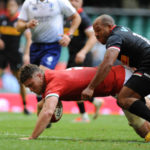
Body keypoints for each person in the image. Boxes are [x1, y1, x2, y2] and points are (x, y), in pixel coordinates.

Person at [19, 64, 150, 140]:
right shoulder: (49, 77)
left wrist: (32, 137)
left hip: (121, 81)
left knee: (145, 130)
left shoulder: (54, 83)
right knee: (144, 132)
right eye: (28, 87)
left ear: (39, 76)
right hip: (117, 83)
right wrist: (39, 106)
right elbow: (44, 105)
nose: (31, 90)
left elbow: (48, 112)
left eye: (31, 85)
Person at [80, 14, 150, 142]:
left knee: (124, 98)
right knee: (135, 99)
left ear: (109, 27)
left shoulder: (114, 37)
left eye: (99, 30)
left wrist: (91, 87)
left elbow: (107, 63)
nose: (96, 35)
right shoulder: (122, 30)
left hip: (148, 65)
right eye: (95, 31)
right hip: (144, 65)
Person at [16, 0, 81, 71]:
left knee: (42, 73)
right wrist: (27, 25)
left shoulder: (59, 1)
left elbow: (77, 17)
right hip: (35, 45)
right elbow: (18, 27)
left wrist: (69, 35)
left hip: (53, 46)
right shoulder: (28, 2)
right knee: (35, 77)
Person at [64, 0, 99, 122]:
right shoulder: (67, 17)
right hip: (72, 55)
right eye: (71, 0)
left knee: (74, 86)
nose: (74, 2)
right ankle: (92, 105)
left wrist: (83, 52)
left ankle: (87, 112)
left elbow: (93, 36)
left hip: (81, 56)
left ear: (82, 3)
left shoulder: (83, 18)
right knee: (73, 86)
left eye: (77, 0)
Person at [0, 0, 31, 114]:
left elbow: (29, 38)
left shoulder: (20, 22)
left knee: (20, 81)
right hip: (2, 53)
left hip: (15, 54)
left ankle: (25, 106)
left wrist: (27, 54)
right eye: (8, 6)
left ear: (17, 7)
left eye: (12, 6)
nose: (10, 8)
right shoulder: (2, 19)